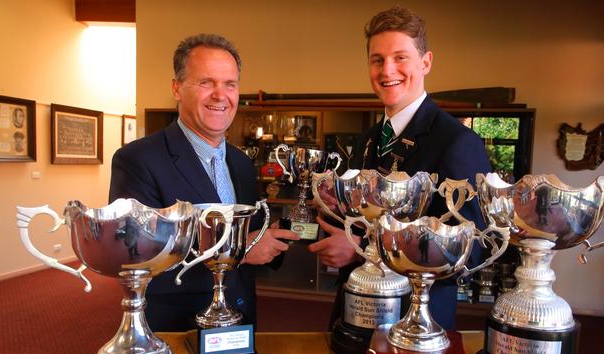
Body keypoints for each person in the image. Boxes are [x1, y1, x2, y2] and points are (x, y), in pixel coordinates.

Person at [308, 6, 492, 331]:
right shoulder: (367, 140)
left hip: (416, 321)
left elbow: (472, 250)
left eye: (400, 57)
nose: (386, 69)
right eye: (377, 60)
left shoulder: (456, 142)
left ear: (426, 62)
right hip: (356, 310)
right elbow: (367, 219)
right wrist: (337, 208)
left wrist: (361, 250)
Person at [109, 33, 299, 332]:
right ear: (176, 88)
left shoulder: (241, 163)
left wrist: (276, 234)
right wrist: (240, 251)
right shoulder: (138, 159)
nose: (220, 95)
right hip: (177, 323)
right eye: (206, 82)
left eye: (230, 84)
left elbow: (250, 233)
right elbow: (135, 255)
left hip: (240, 315)